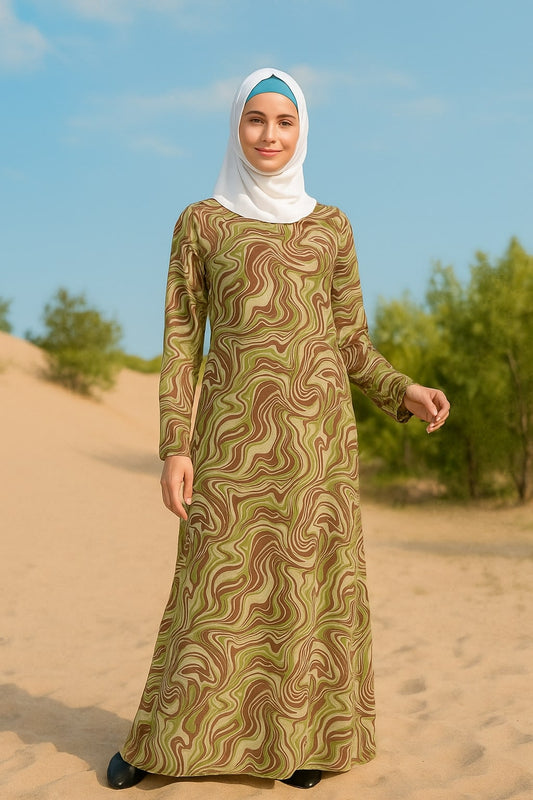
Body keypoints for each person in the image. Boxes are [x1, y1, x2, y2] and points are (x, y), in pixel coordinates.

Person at [107, 67, 450, 791]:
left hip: (317, 446)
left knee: (306, 587)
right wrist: (174, 444)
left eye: (284, 121)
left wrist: (403, 390)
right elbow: (181, 341)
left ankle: (304, 743)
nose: (270, 135)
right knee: (211, 586)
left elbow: (350, 341)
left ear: (303, 131)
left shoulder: (331, 226)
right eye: (256, 119)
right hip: (229, 441)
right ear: (235, 126)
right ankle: (160, 744)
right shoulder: (202, 223)